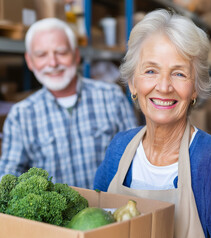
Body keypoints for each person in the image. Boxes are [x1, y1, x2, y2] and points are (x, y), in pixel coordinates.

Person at [94, 9, 211, 238]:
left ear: (195, 89)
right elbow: (94, 225)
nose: (163, 86)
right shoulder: (118, 149)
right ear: (132, 83)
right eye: (150, 71)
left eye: (179, 74)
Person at [0, 18, 137, 189]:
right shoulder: (21, 115)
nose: (53, 63)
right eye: (42, 55)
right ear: (30, 61)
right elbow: (7, 177)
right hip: (51, 216)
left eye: (61, 52)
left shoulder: (111, 97)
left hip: (109, 212)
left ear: (76, 55)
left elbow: (134, 157)